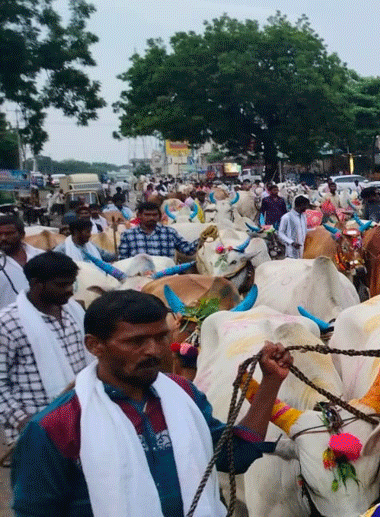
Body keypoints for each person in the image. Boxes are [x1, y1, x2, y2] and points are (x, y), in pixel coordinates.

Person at [10, 290, 293, 517]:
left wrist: (270, 382)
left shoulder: (184, 396)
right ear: (94, 345)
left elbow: (234, 457)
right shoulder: (55, 427)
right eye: (136, 341)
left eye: (161, 337)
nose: (154, 351)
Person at [0, 252, 85, 443]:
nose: (70, 290)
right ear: (36, 284)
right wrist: (21, 419)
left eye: (72, 283)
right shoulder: (7, 323)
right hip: (34, 426)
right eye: (62, 285)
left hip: (79, 419)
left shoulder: (75, 313)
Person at [118, 202, 199, 259]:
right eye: (147, 215)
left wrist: (202, 239)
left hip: (166, 277)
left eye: (154, 215)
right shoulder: (128, 235)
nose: (151, 218)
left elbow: (188, 250)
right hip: (140, 279)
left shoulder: (170, 233)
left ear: (159, 216)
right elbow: (123, 260)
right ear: (139, 216)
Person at [0, 215, 45, 308]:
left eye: (9, 234)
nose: (3, 238)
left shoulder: (41, 256)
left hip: (41, 317)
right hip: (6, 319)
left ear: (22, 235)